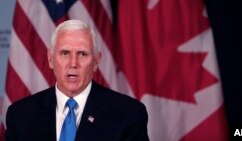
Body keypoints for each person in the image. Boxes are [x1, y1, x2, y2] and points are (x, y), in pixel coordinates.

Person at [5, 20, 149, 141]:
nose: (73, 63)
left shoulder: (129, 114)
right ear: (50, 59)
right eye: (65, 53)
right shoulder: (20, 115)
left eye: (82, 54)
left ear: (96, 61)